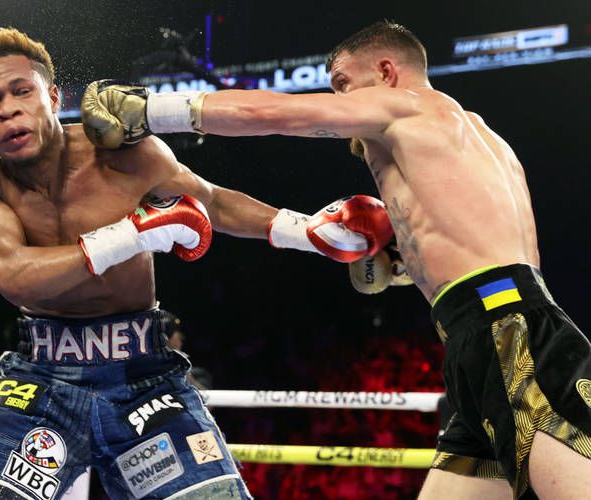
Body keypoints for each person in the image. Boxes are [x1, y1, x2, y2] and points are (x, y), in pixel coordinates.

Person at [82, 20, 591, 499]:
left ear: (387, 72)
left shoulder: (408, 106)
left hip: (507, 335)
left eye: (343, 84)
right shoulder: (477, 138)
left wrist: (151, 110)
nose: (340, 101)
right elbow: (487, 249)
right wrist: (400, 265)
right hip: (482, 331)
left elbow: (276, 113)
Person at [0, 27, 394, 500]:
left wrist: (307, 232)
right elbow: (15, 276)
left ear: (52, 97)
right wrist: (131, 234)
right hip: (40, 379)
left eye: (22, 91)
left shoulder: (124, 157)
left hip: (144, 380)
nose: (8, 108)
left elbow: (213, 202)